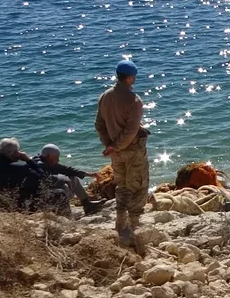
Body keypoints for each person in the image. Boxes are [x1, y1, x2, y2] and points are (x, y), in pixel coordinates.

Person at [95, 60, 149, 248]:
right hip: (132, 150)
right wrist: (116, 146)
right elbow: (130, 131)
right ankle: (134, 227)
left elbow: (99, 125)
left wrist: (109, 144)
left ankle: (120, 223)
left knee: (121, 185)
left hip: (115, 152)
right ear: (130, 78)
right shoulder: (134, 101)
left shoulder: (104, 97)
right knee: (138, 185)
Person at [37, 143, 109, 215]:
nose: (58, 160)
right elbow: (50, 179)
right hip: (43, 197)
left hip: (50, 191)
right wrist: (65, 179)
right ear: (48, 156)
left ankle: (87, 204)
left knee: (73, 177)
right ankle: (64, 213)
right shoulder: (40, 166)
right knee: (64, 188)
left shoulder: (47, 161)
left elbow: (67, 169)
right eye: (56, 158)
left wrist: (88, 174)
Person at [0, 138, 46, 215]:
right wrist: (29, 160)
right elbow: (43, 177)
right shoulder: (20, 168)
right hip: (8, 212)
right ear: (15, 153)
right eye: (18, 151)